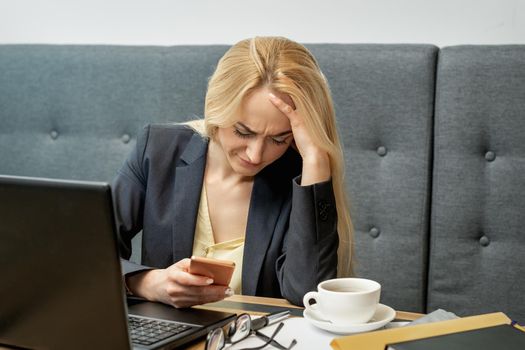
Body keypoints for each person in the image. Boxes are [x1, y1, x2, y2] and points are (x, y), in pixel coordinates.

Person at [112, 36, 353, 308]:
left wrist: (317, 161)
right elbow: (87, 254)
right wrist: (147, 283)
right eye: (243, 132)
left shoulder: (299, 177)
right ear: (216, 107)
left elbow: (306, 294)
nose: (255, 155)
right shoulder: (158, 150)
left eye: (279, 139)